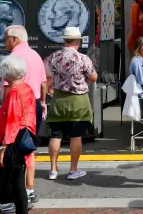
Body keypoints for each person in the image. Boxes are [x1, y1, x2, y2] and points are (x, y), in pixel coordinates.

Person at [1, 25, 46, 206]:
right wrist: (42, 102)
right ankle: (29, 189)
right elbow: (43, 83)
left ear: (14, 39)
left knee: (12, 151)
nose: (4, 43)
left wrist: (3, 111)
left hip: (16, 108)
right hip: (33, 104)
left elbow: (7, 89)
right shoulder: (35, 55)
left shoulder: (13, 59)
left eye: (5, 39)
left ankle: (16, 194)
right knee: (29, 147)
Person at [45, 27, 96, 181]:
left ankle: (53, 169)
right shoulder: (82, 58)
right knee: (75, 136)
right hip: (78, 101)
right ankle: (73, 170)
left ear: (65, 40)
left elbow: (47, 75)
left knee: (56, 135)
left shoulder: (53, 57)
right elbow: (93, 77)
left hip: (58, 99)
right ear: (78, 40)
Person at [0, 55, 37, 214]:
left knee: (14, 178)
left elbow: (12, 121)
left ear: (8, 73)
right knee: (18, 175)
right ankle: (20, 207)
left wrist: (3, 148)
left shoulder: (13, 92)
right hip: (24, 135)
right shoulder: (27, 88)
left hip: (13, 139)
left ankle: (17, 208)